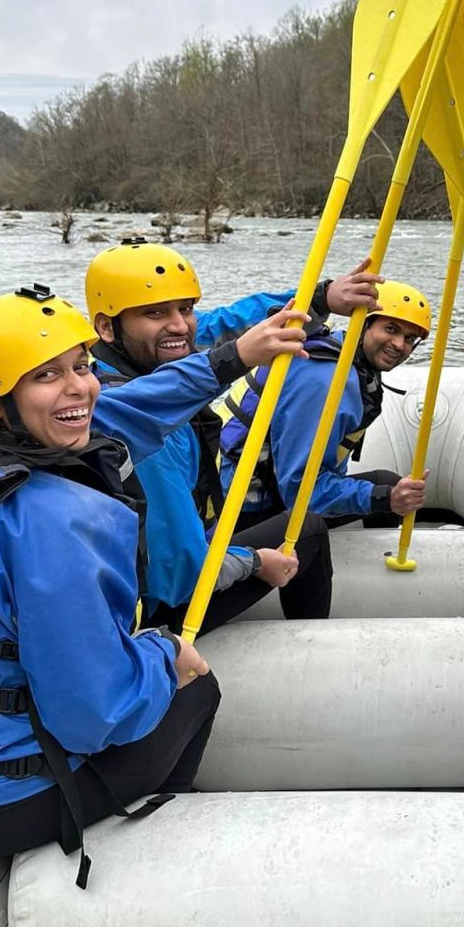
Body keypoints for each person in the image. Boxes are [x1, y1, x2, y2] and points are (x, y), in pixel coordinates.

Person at [0, 283, 305, 885]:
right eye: (47, 376)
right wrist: (166, 654)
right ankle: (153, 847)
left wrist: (233, 357)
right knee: (197, 685)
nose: (82, 387)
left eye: (83, 366)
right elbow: (95, 715)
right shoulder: (48, 522)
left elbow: (131, 409)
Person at [85, 238, 380, 633]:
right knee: (306, 528)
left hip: (183, 545)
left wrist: (321, 297)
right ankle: (310, 649)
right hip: (163, 608)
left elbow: (220, 325)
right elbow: (179, 575)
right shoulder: (148, 442)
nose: (179, 325)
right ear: (107, 326)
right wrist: (256, 561)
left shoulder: (111, 358)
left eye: (185, 308)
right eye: (155, 313)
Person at [218, 279, 432, 528]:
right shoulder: (323, 381)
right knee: (363, 505)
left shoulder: (346, 356)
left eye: (409, 339)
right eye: (391, 329)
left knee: (387, 483)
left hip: (271, 489)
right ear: (363, 324)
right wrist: (385, 498)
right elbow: (299, 493)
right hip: (238, 513)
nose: (399, 345)